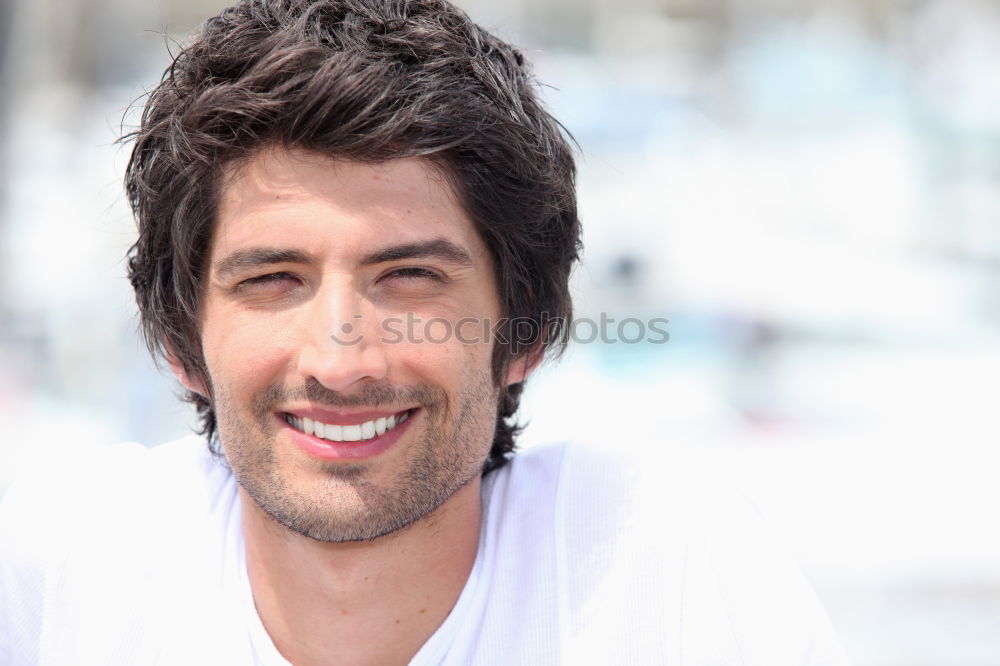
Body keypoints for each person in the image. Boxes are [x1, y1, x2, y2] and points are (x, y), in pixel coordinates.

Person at [0, 1, 852, 664]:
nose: (342, 361)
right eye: (273, 280)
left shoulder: (669, 578)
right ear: (184, 344)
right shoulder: (63, 583)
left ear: (524, 331)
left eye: (410, 277)